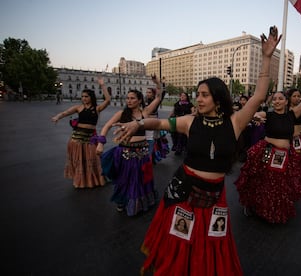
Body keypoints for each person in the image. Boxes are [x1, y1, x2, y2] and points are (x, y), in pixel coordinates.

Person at [113, 26, 281, 276]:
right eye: (197, 95)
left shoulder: (234, 122)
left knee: (212, 244)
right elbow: (158, 123)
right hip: (184, 192)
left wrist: (266, 59)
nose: (198, 99)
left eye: (204, 95)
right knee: (180, 243)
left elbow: (259, 95)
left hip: (215, 199)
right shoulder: (189, 121)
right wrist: (136, 123)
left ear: (217, 98)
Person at [235, 64, 301, 224]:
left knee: (279, 187)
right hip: (267, 152)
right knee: (262, 183)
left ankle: (274, 211)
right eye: (275, 99)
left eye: (280, 99)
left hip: (285, 157)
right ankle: (253, 205)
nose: (277, 101)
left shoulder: (292, 114)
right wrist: (255, 117)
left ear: (286, 101)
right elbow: (252, 114)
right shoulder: (267, 115)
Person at [96, 75, 162, 216]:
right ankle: (123, 201)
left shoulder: (145, 113)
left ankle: (139, 204)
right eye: (127, 98)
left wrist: (157, 83)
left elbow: (158, 98)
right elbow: (106, 127)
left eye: (132, 98)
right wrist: (101, 143)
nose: (129, 101)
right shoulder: (122, 113)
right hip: (125, 153)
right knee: (125, 179)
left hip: (143, 153)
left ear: (139, 100)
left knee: (142, 179)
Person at [51, 76, 110, 188]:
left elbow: (108, 100)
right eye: (82, 96)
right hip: (77, 138)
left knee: (92, 160)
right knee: (80, 161)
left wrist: (102, 85)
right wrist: (57, 117)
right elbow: (65, 113)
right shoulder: (78, 107)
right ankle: (82, 181)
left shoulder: (97, 109)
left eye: (86, 96)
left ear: (91, 97)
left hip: (90, 138)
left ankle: (93, 180)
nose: (84, 98)